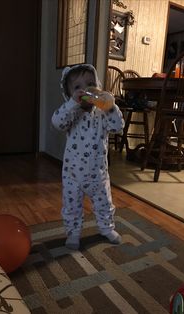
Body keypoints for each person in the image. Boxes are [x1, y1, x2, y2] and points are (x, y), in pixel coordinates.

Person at [51, 64, 125, 250]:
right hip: (73, 175)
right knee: (72, 206)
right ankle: (73, 233)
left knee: (104, 204)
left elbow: (118, 127)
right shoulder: (70, 114)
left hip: (98, 174)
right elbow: (57, 123)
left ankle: (107, 228)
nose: (85, 90)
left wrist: (110, 106)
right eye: (77, 87)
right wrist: (72, 104)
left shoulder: (102, 114)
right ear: (69, 94)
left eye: (90, 83)